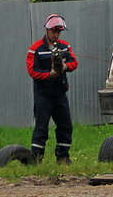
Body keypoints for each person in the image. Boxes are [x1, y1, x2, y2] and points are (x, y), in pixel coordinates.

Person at [26, 14, 78, 164]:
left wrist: (65, 66)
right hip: (43, 95)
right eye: (54, 32)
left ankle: (63, 157)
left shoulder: (65, 46)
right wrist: (49, 75)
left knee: (65, 126)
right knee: (41, 128)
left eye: (59, 32)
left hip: (60, 94)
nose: (56, 35)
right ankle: (36, 159)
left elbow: (74, 62)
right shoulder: (35, 49)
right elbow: (32, 71)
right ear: (47, 30)